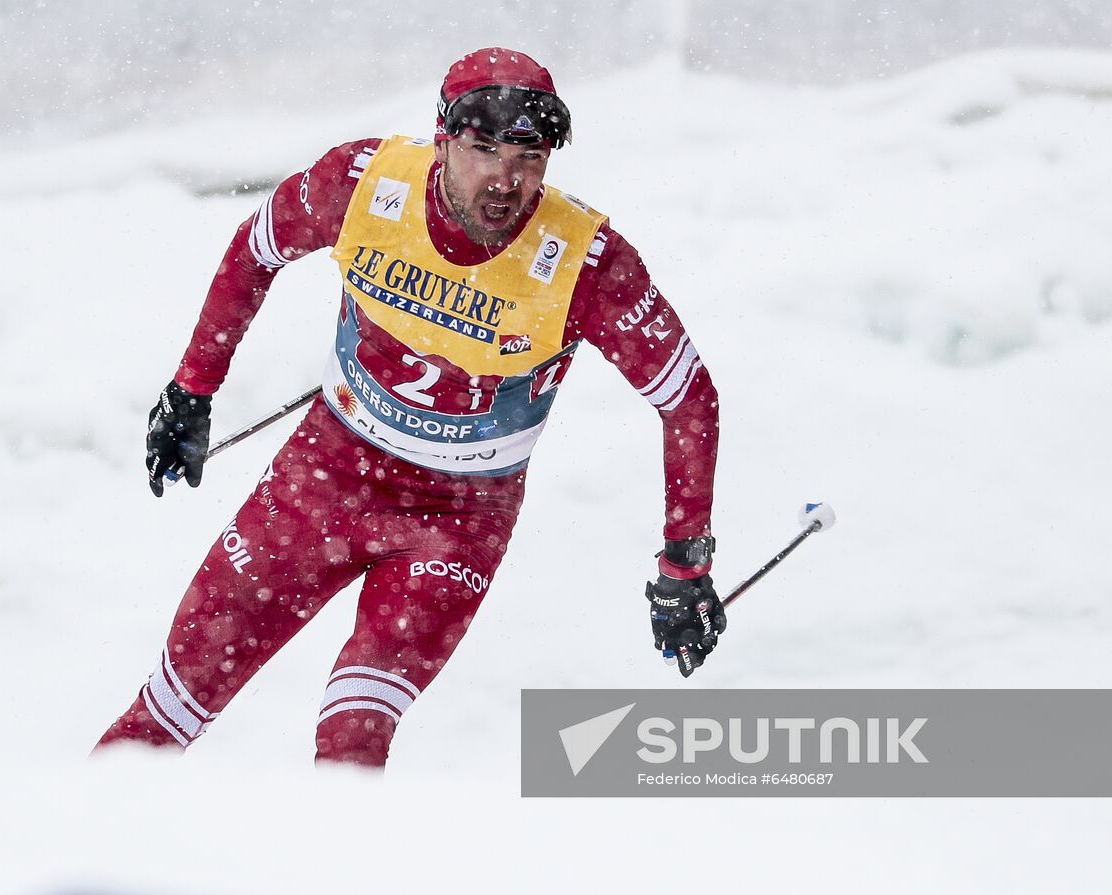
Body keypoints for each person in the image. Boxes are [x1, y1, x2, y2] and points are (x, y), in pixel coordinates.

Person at [95, 47, 725, 767]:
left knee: (352, 737)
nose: (504, 179)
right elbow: (256, 247)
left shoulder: (587, 261)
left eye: (529, 157)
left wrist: (686, 564)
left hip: (455, 522)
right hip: (323, 479)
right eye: (483, 149)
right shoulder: (363, 185)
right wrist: (192, 389)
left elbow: (688, 398)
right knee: (169, 706)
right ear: (442, 139)